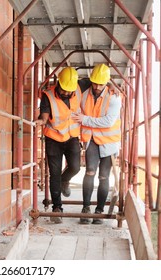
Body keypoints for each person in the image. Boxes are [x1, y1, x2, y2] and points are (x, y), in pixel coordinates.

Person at [36, 67, 91, 223]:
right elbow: (44, 116)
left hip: (72, 137)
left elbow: (96, 82)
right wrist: (41, 121)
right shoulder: (48, 95)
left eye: (70, 90)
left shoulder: (79, 86)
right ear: (59, 82)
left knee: (76, 167)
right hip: (53, 138)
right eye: (64, 90)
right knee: (54, 174)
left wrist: (109, 86)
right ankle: (57, 208)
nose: (67, 93)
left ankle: (64, 180)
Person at [72, 63, 121, 224]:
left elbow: (108, 121)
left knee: (104, 176)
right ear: (91, 80)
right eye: (95, 83)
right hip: (91, 138)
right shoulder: (85, 92)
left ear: (107, 82)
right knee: (90, 171)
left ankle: (99, 211)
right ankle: (86, 208)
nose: (97, 86)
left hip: (109, 142)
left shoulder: (114, 97)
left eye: (101, 83)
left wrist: (85, 119)